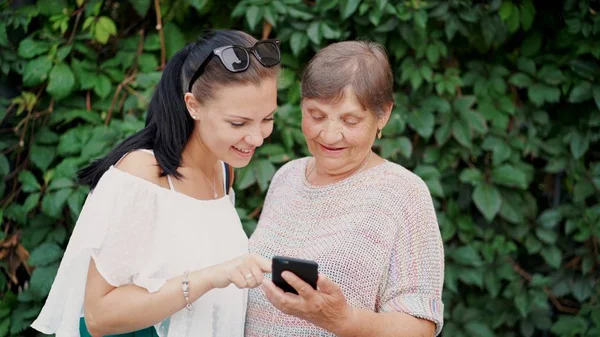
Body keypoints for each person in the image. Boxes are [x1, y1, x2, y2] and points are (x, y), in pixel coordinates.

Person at [31, 29, 281, 337]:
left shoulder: (224, 169)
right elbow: (98, 316)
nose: (256, 138)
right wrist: (209, 277)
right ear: (194, 105)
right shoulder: (142, 176)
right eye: (238, 123)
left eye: (268, 119)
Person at [244, 40, 445, 337]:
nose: (329, 133)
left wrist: (342, 320)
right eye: (316, 115)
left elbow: (420, 326)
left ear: (383, 115)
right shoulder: (286, 177)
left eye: (350, 120)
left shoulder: (403, 192)